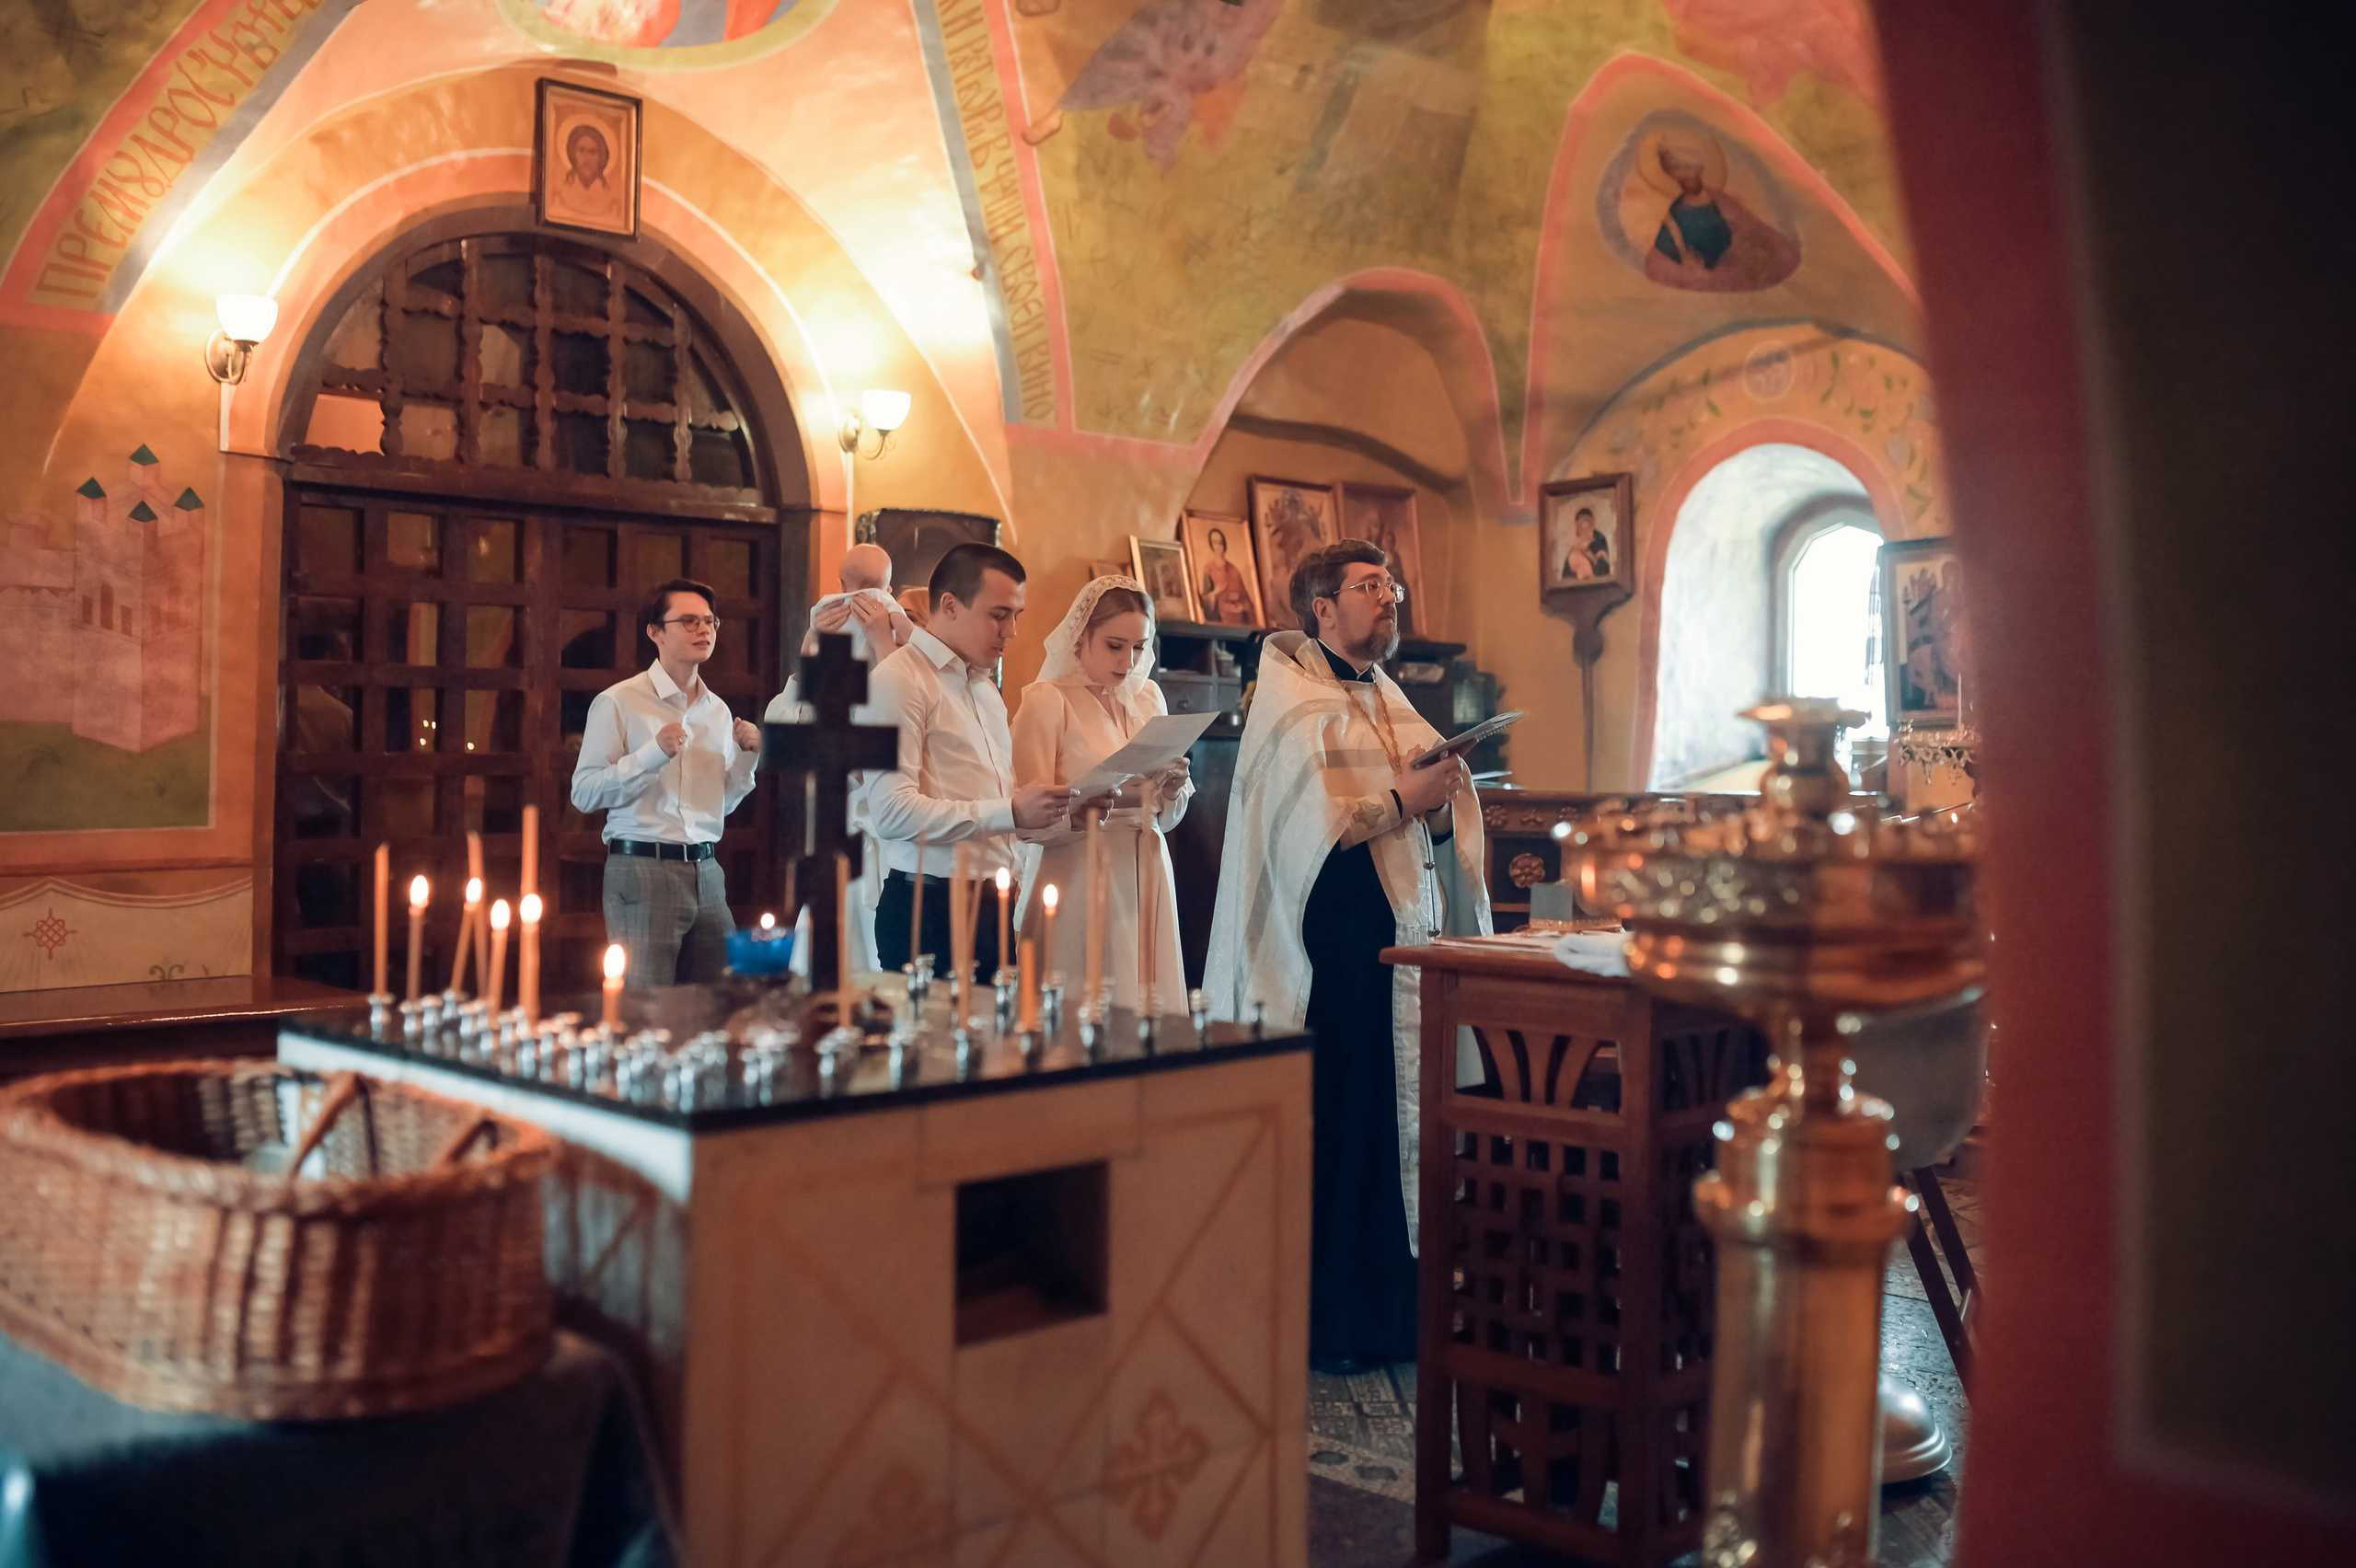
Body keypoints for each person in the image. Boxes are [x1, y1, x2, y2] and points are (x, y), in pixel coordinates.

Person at [1205, 538, 1488, 1372]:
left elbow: (1432, 815)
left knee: (1400, 1120)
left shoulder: (1389, 694)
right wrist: (1406, 797)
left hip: (1403, 940)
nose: (1388, 597)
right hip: (1330, 952)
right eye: (1370, 586)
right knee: (1349, 1122)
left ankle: (1400, 1311)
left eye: (1392, 584)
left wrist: (1434, 806)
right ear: (1322, 608)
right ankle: (1334, 1322)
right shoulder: (1291, 700)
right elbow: (1306, 835)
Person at [866, 543, 1075, 982]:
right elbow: (890, 811)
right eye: (999, 614)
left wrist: (1068, 811)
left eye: (1017, 615)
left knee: (998, 1049)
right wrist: (1012, 810)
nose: (1012, 631)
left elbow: (996, 810)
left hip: (993, 907)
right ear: (950, 606)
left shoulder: (984, 689)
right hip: (928, 911)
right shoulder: (898, 680)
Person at [570, 578, 762, 987]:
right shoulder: (619, 701)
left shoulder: (719, 711)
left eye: (710, 622)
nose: (704, 630)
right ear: (655, 632)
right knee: (646, 1011)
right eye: (689, 621)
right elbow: (584, 793)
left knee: (716, 1004)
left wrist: (747, 760)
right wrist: (652, 754)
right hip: (643, 868)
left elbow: (719, 806)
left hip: (708, 871)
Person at [1011, 578, 1194, 1010]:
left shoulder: (1148, 698)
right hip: (1079, 871)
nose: (1128, 661)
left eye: (1138, 647)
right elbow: (1023, 821)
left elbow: (1167, 816)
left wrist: (1170, 788)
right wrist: (1083, 805)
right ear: (1081, 638)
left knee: (1153, 1008)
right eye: (1114, 645)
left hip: (1148, 868)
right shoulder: (1046, 702)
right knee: (1086, 1007)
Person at [1195, 526, 1256, 624]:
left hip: (1237, 620)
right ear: (1211, 545)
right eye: (1215, 543)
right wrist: (1215, 593)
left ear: (1224, 545)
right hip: (1219, 621)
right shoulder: (1209, 569)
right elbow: (1204, 602)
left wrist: (1242, 606)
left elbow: (1246, 599)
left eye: (1220, 543)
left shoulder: (1234, 570)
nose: (1218, 546)